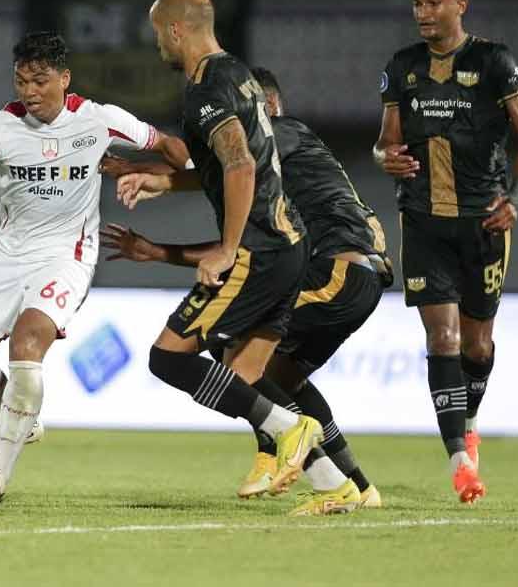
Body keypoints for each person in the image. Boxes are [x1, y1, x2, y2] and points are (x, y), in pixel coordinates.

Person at [0, 31, 186, 505]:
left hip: (66, 255)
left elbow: (169, 145)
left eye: (40, 81)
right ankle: (22, 421)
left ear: (64, 79)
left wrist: (169, 178)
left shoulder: (100, 120)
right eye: (21, 80)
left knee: (27, 345)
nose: (29, 91)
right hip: (8, 254)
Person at [103, 65, 390, 513]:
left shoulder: (281, 132)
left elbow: (229, 168)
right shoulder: (274, 175)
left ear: (264, 106)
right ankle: (351, 484)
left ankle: (281, 447)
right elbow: (238, 241)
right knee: (276, 374)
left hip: (338, 271)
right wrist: (158, 241)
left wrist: (159, 175)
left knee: (231, 353)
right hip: (344, 275)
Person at [114, 0, 338, 513]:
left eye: (156, 33)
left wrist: (226, 248)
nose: (156, 46)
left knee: (167, 358)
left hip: (257, 249)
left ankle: (291, 428)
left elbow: (239, 166)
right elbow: (230, 167)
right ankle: (336, 483)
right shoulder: (237, 74)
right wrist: (162, 183)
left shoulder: (207, 87)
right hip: (289, 245)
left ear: (175, 29)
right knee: (247, 375)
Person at [372, 0, 518, 503]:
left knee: (477, 343)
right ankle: (461, 461)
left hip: (484, 222)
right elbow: (384, 143)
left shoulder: (494, 61)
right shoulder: (402, 68)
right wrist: (385, 158)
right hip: (423, 222)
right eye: (417, 4)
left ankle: (468, 421)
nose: (423, 13)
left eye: (433, 2)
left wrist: (514, 199)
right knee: (441, 339)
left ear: (460, 4)